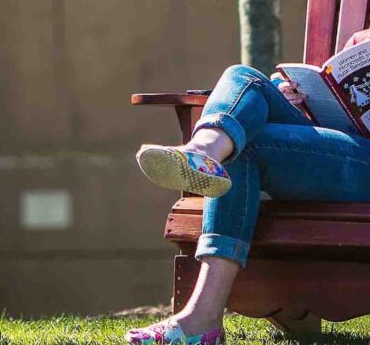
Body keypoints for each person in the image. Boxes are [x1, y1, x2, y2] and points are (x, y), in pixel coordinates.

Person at [125, 30, 370, 345]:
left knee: (243, 145)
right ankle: (204, 150)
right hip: (335, 148)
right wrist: (291, 98)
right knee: (243, 77)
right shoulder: (361, 41)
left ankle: (202, 319)